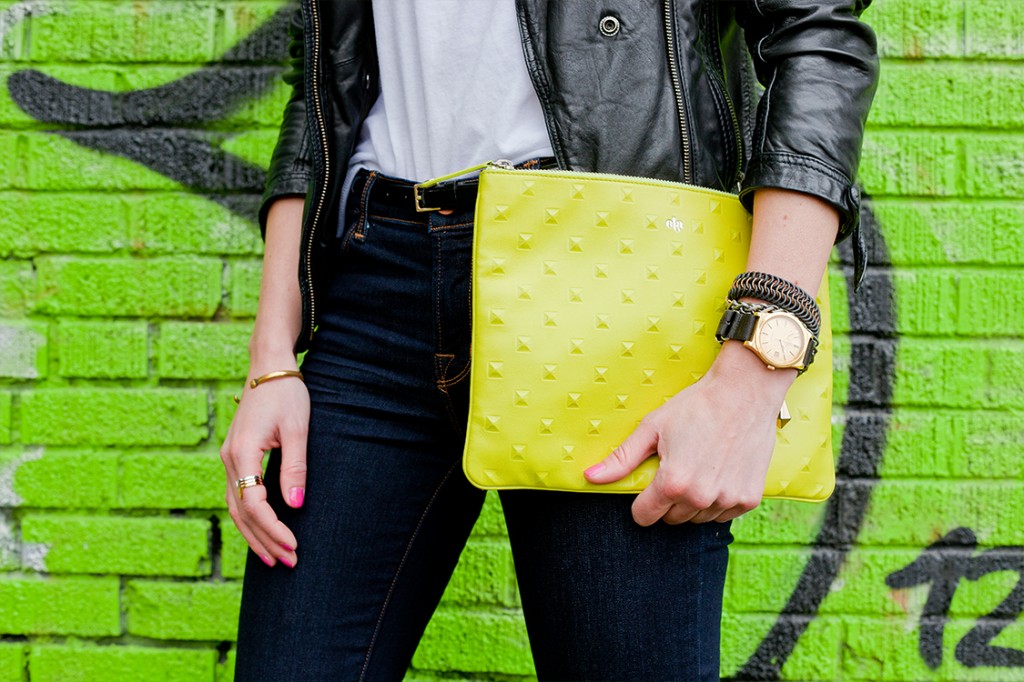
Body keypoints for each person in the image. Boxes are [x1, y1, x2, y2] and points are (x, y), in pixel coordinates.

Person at [220, 1, 878, 679]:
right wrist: (272, 358)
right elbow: (323, 79)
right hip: (377, 291)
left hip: (611, 293)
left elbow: (816, 33)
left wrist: (756, 364)